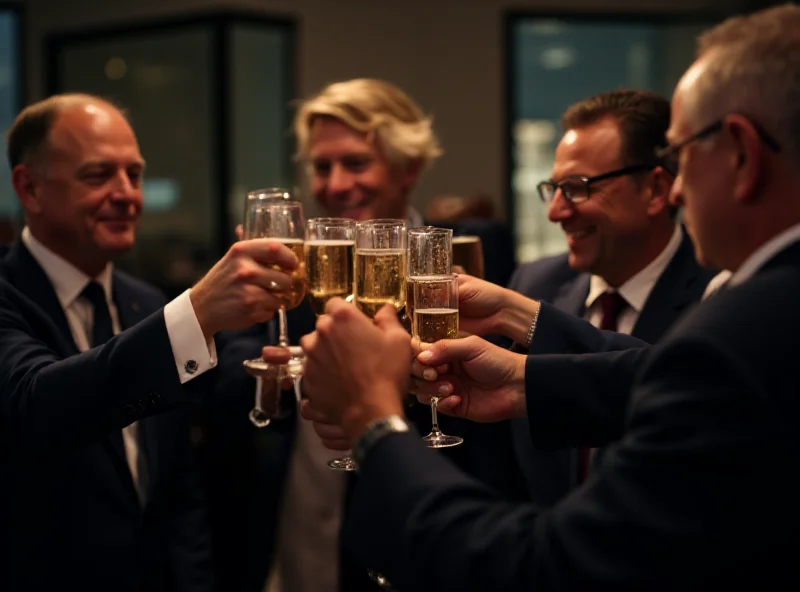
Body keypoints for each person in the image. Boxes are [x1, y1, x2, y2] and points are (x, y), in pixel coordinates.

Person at [298, 4, 800, 589]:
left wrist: (375, 424)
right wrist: (520, 377)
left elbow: (555, 567)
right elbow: (646, 372)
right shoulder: (760, 314)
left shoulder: (743, 330)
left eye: (683, 154)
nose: (681, 187)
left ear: (740, 153)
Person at [199, 78, 520, 592]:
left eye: (355, 163)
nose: (336, 184)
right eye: (322, 167)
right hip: (305, 541)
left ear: (408, 167)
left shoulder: (470, 252)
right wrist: (279, 381)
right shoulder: (297, 261)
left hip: (434, 536)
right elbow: (239, 375)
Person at [0, 93, 299, 592]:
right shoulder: (10, 293)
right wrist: (196, 311)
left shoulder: (142, 301)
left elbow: (179, 488)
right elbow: (37, 403)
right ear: (29, 189)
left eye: (134, 175)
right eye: (98, 175)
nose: (127, 194)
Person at [506, 89, 715, 506]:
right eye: (554, 188)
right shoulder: (534, 284)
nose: (556, 212)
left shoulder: (716, 298)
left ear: (656, 190)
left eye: (578, 188)